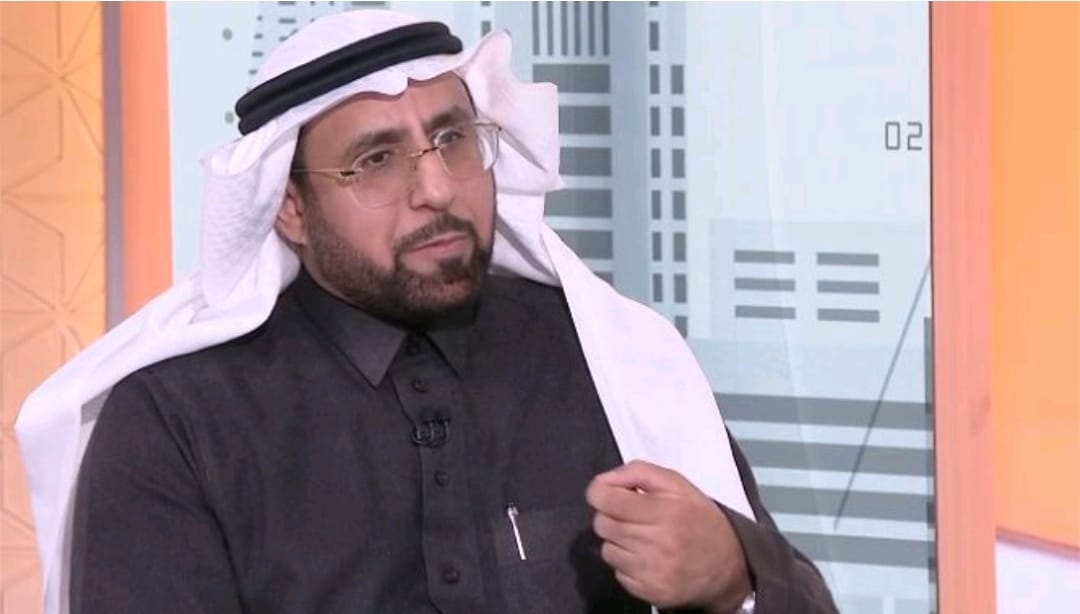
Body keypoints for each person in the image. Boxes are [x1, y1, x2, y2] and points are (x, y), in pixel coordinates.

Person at [17, 10, 838, 614]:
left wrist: (734, 579)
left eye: (452, 139)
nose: (437, 188)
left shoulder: (606, 356)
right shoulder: (179, 422)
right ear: (290, 209)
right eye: (376, 160)